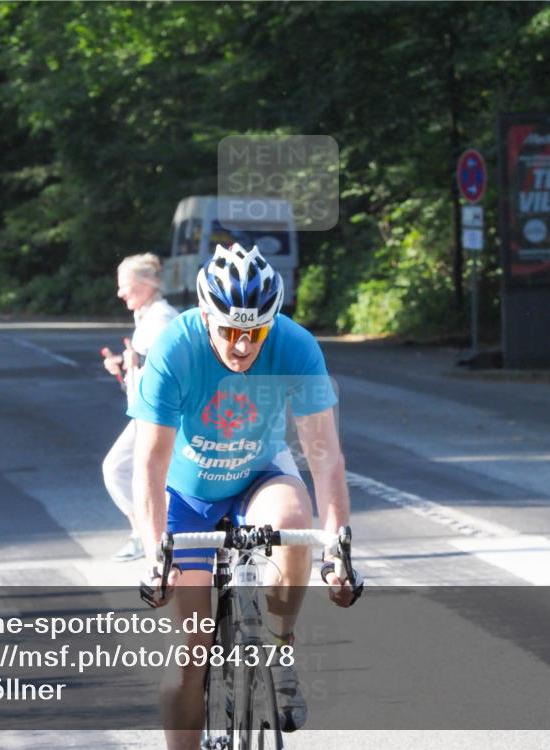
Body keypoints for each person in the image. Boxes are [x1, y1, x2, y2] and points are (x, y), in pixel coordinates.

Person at [128, 243, 363, 749]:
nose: (241, 345)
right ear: (205, 316)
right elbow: (149, 464)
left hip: (258, 476)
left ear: (270, 323)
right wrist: (154, 556)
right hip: (188, 495)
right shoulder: (175, 348)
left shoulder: (295, 346)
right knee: (192, 651)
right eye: (229, 331)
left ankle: (279, 645)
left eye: (254, 332)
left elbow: (325, 458)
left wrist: (337, 552)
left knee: (293, 522)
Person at [101, 253, 178, 561]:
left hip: (159, 414)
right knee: (146, 473)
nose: (120, 293)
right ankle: (150, 534)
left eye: (125, 285)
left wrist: (136, 361)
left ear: (146, 284)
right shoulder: (148, 315)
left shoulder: (161, 318)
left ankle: (146, 535)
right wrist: (123, 364)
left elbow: (168, 363)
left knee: (117, 468)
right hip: (149, 412)